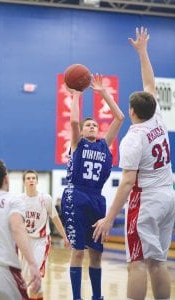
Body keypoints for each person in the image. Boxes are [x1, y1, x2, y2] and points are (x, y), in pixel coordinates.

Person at [93, 27, 175, 300]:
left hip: (147, 200)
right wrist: (143, 53)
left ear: (131, 112)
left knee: (137, 263)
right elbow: (149, 84)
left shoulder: (133, 138)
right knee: (158, 261)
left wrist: (109, 217)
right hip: (167, 196)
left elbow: (128, 182)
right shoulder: (157, 117)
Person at [61, 75, 125, 300]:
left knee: (97, 253)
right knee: (78, 251)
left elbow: (119, 117)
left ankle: (97, 297)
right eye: (88, 124)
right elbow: (74, 123)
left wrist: (103, 93)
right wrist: (77, 95)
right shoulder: (77, 144)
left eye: (94, 125)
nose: (91, 126)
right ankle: (77, 297)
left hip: (97, 199)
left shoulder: (104, 145)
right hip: (75, 195)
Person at [0, 159, 41, 300]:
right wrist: (33, 264)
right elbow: (17, 228)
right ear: (6, 178)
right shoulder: (13, 200)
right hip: (3, 271)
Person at [19, 170, 69, 300]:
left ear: (37, 181)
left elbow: (55, 218)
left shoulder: (45, 198)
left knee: (34, 273)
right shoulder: (19, 200)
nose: (31, 180)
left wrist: (65, 236)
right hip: (25, 241)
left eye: (33, 178)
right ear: (24, 182)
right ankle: (39, 296)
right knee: (26, 277)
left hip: (41, 241)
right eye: (28, 178)